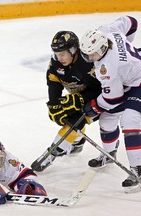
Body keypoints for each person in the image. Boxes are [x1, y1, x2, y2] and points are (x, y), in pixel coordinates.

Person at [80, 15, 141, 190]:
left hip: (138, 82)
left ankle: (138, 169)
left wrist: (93, 107)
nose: (89, 57)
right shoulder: (107, 31)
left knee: (130, 120)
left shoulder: (108, 68)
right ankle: (109, 153)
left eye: (92, 54)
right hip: (131, 78)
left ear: (102, 48)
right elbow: (131, 22)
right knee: (107, 120)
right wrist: (128, 48)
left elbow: (113, 98)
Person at [31, 30, 102, 171]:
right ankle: (77, 142)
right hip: (80, 97)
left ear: (73, 50)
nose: (59, 58)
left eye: (62, 54)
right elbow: (53, 82)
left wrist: (80, 98)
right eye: (56, 54)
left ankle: (53, 153)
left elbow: (100, 90)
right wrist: (54, 105)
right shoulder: (56, 64)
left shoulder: (88, 63)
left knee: (76, 120)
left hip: (99, 99)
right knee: (62, 115)